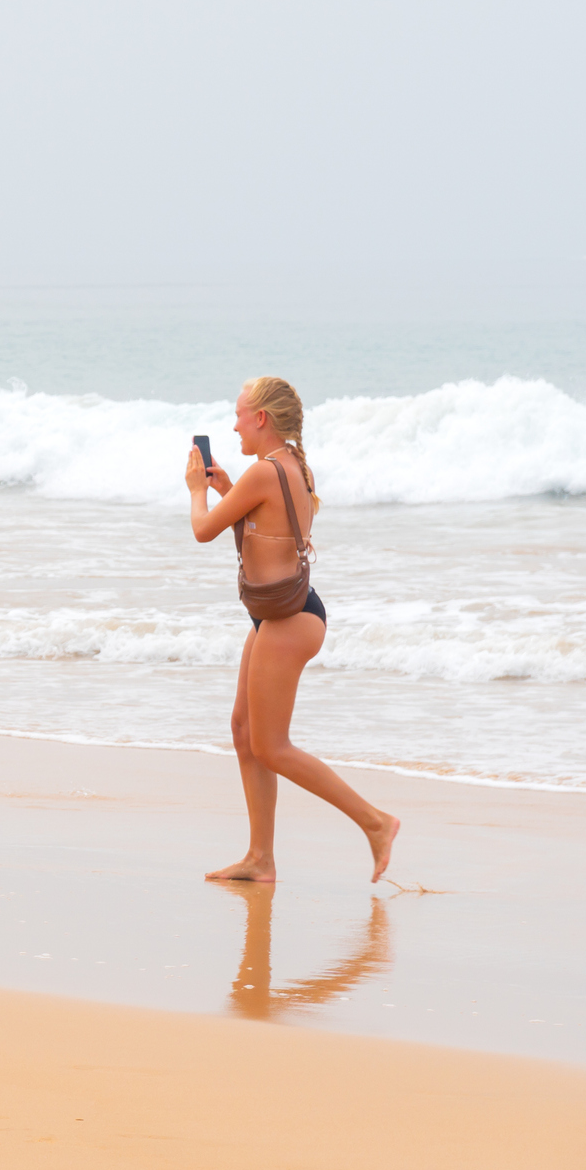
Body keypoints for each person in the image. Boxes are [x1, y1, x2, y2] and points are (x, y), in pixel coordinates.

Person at [186, 375, 398, 884]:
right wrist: (226, 488)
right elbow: (265, 527)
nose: (234, 424)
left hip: (288, 618)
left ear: (261, 418)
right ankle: (260, 859)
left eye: (239, 414)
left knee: (271, 746)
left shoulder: (265, 472)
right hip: (279, 612)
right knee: (243, 731)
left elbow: (202, 530)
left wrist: (198, 491)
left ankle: (376, 823)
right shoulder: (290, 465)